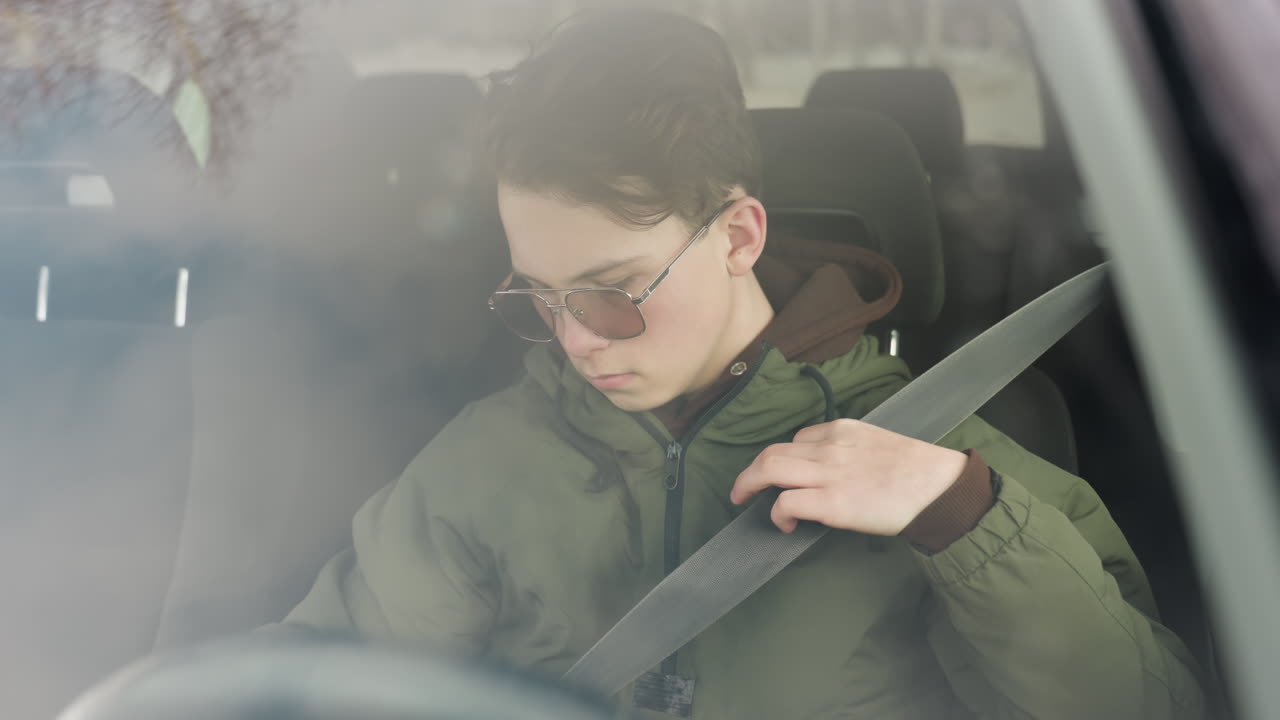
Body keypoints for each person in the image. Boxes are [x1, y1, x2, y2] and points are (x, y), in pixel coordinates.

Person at [284, 10, 1206, 718]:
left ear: (737, 234)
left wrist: (960, 517)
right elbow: (316, 688)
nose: (577, 341)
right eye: (539, 298)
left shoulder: (950, 464)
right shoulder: (481, 469)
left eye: (613, 291)